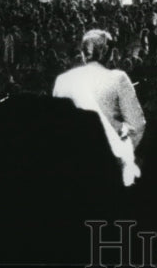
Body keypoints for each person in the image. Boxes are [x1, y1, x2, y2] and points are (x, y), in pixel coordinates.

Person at [53, 29, 146, 186]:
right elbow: (137, 125)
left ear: (83, 53)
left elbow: (56, 125)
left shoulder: (63, 80)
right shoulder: (119, 79)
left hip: (72, 163)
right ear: (108, 53)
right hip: (108, 165)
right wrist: (120, 154)